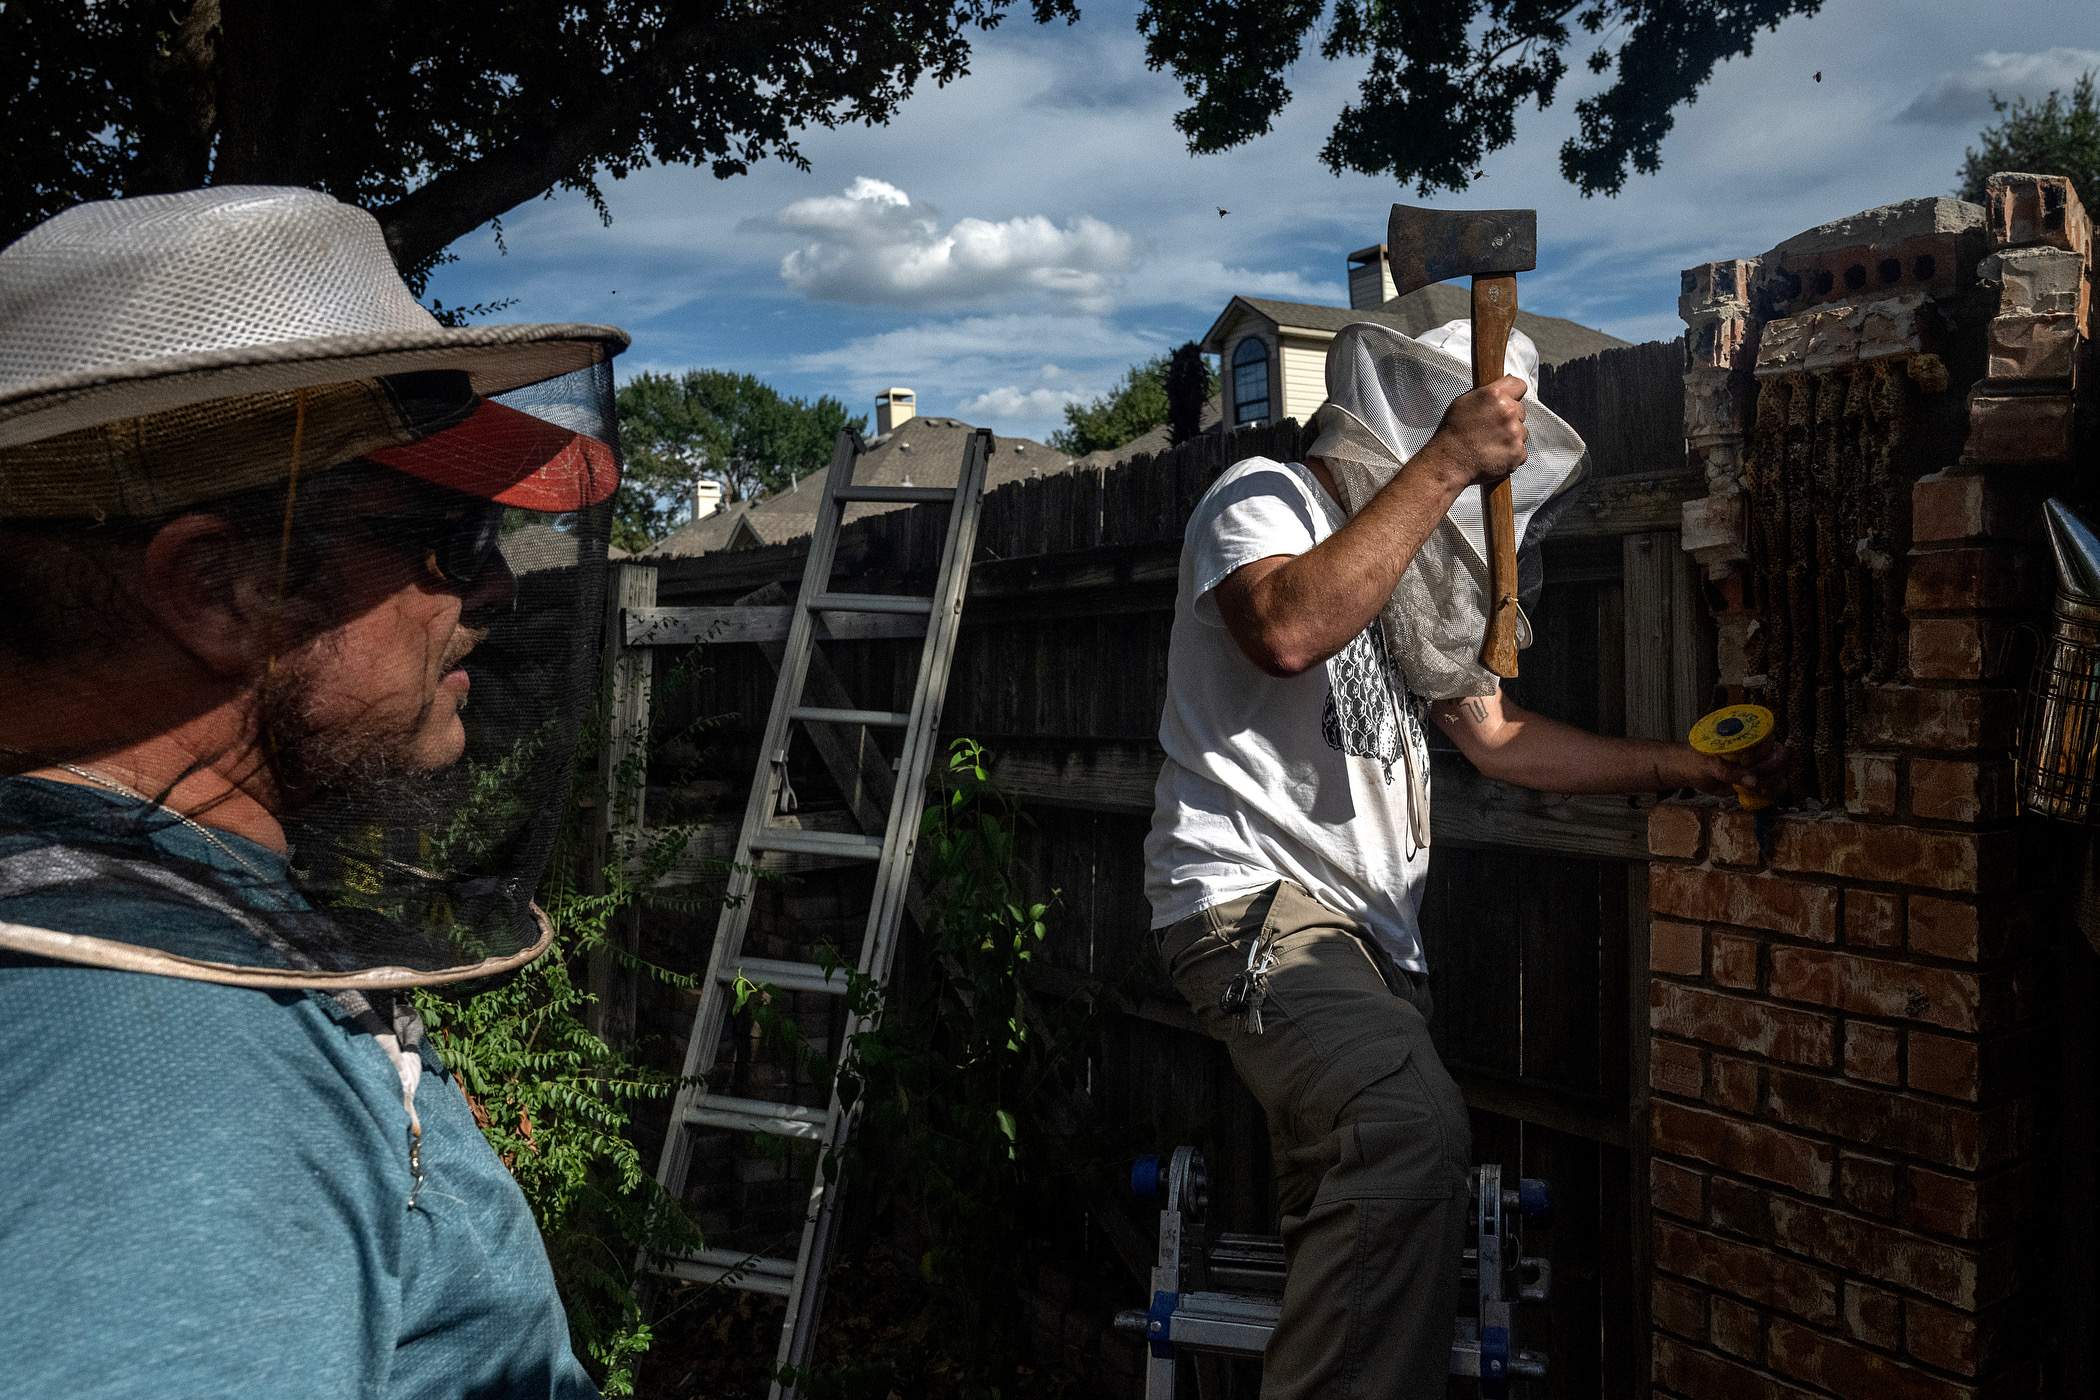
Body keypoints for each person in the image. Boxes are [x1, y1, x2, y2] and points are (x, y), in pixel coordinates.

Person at [0, 187, 627, 1398]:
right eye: (452, 536)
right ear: (222, 588)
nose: (495, 590)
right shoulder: (164, 1069)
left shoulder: (119, 931)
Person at [1144, 320, 1782, 1399]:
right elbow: (1285, 630)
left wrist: (1684, 763)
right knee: (1402, 1128)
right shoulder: (1264, 496)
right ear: (1409, 415)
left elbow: (1500, 739)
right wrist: (1447, 461)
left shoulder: (1405, 581)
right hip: (1252, 903)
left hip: (1372, 943)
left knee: (1361, 1198)